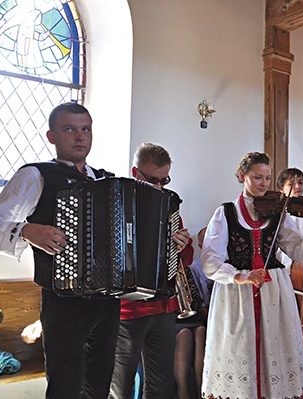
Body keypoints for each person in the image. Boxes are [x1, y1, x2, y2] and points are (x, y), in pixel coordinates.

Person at [0, 102, 120, 399]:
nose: (80, 137)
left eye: (85, 129)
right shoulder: (36, 175)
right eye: (69, 129)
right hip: (64, 300)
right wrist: (26, 230)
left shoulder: (107, 181)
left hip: (107, 300)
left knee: (99, 387)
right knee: (64, 385)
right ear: (52, 136)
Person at [200, 152, 303, 399]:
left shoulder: (278, 213)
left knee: (273, 350)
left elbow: (299, 252)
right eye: (257, 177)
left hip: (273, 293)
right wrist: (237, 277)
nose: (264, 183)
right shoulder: (225, 213)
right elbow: (210, 261)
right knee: (239, 350)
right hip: (237, 295)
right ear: (242, 176)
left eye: (267, 178)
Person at [109, 143, 193, 399]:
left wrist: (183, 246)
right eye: (152, 179)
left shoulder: (170, 205)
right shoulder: (115, 202)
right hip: (128, 311)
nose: (159, 186)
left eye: (164, 179)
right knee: (119, 386)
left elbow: (186, 260)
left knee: (160, 384)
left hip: (165, 308)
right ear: (136, 172)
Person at [174, 227, 212, 399]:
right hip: (174, 317)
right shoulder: (194, 266)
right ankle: (183, 391)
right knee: (183, 335)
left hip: (192, 316)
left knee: (201, 332)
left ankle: (200, 389)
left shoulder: (188, 266)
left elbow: (196, 299)